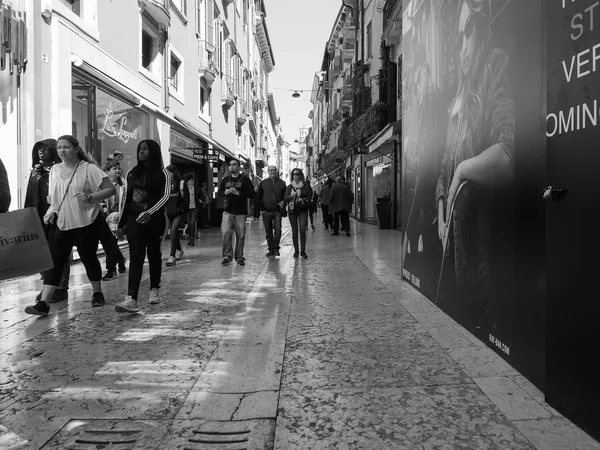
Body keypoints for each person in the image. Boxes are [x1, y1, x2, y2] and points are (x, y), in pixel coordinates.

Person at [436, 0, 515, 305]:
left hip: (482, 257)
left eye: (469, 31)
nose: (464, 46)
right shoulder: (456, 102)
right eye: (459, 38)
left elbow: (508, 153)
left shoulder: (495, 64)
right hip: (454, 252)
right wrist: (443, 218)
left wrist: (461, 172)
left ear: (482, 31)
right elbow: (443, 167)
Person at [24, 135, 116, 316]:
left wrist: (91, 197)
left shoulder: (88, 169)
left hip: (85, 221)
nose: (62, 151)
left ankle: (97, 292)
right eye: (59, 148)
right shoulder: (55, 170)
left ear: (75, 148)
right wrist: (52, 203)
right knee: (55, 262)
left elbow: (110, 189)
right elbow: (54, 197)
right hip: (62, 222)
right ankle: (44, 303)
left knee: (88, 257)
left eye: (65, 147)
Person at [115, 139, 170, 313]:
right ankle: (131, 298)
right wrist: (121, 224)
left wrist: (150, 213)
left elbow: (166, 196)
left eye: (145, 149)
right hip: (134, 220)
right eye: (140, 149)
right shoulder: (132, 173)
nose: (141, 152)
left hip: (155, 221)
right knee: (136, 256)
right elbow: (126, 199)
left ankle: (154, 289)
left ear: (153, 151)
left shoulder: (163, 174)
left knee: (154, 255)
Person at [24, 139, 70, 303]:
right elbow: (29, 196)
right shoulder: (36, 172)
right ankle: (48, 286)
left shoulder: (60, 171)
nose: (40, 152)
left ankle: (61, 288)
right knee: (41, 254)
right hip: (38, 217)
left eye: (45, 149)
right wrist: (26, 215)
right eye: (38, 149)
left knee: (59, 254)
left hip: (57, 217)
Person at [217, 159, 255, 266]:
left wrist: (238, 193)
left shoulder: (245, 179)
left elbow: (252, 194)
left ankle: (239, 257)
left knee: (240, 235)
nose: (232, 167)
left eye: (234, 165)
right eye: (230, 165)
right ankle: (227, 256)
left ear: (239, 166)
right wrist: (225, 191)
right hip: (227, 211)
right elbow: (219, 193)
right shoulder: (225, 180)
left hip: (240, 212)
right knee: (225, 233)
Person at [100, 160, 127, 281]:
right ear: (107, 171)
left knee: (110, 243)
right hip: (104, 217)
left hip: (118, 218)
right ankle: (120, 259)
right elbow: (99, 198)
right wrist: (104, 208)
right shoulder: (102, 184)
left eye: (118, 168)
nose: (117, 170)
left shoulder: (124, 184)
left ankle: (111, 269)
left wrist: (120, 215)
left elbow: (126, 201)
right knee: (110, 244)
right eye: (114, 168)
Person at [257, 165, 286, 257]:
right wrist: (262, 209)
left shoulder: (282, 183)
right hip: (266, 211)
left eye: (274, 170)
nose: (272, 171)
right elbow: (259, 196)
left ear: (276, 171)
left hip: (277, 211)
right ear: (268, 171)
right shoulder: (263, 183)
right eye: (270, 170)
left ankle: (276, 248)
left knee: (278, 230)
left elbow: (285, 196)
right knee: (268, 231)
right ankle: (270, 249)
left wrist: (283, 203)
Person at [284, 168, 313, 259]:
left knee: (302, 230)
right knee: (294, 231)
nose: (295, 176)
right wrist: (291, 196)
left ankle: (303, 251)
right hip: (292, 210)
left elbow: (310, 196)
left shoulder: (305, 186)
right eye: (294, 174)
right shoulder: (289, 187)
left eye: (297, 174)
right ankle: (296, 251)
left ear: (301, 175)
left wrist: (303, 199)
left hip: (302, 210)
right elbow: (285, 198)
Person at [165, 164, 188, 266]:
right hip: (169, 213)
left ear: (174, 173)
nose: (168, 175)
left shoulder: (182, 183)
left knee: (173, 231)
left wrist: (179, 209)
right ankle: (179, 250)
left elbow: (186, 200)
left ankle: (172, 256)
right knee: (173, 233)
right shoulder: (166, 185)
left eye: (169, 172)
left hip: (178, 213)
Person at [183, 173, 199, 246]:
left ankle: (192, 239)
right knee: (189, 224)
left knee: (192, 223)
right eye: (191, 180)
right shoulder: (184, 188)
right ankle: (190, 239)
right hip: (187, 208)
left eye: (193, 180)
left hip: (194, 208)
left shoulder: (195, 187)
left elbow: (198, 196)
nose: (192, 181)